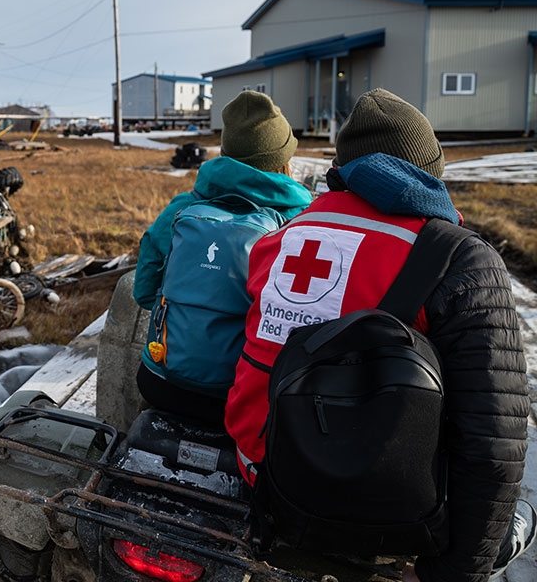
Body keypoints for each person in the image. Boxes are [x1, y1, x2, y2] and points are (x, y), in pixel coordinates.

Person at [224, 88, 535, 582]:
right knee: (520, 516)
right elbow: (493, 439)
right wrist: (452, 573)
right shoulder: (459, 259)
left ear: (343, 170)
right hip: (375, 509)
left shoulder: (281, 237)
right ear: (428, 173)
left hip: (262, 475)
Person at [133, 90, 312, 425]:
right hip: (239, 397)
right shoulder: (301, 221)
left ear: (226, 154)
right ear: (284, 160)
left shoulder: (182, 209)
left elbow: (143, 293)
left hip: (161, 382)